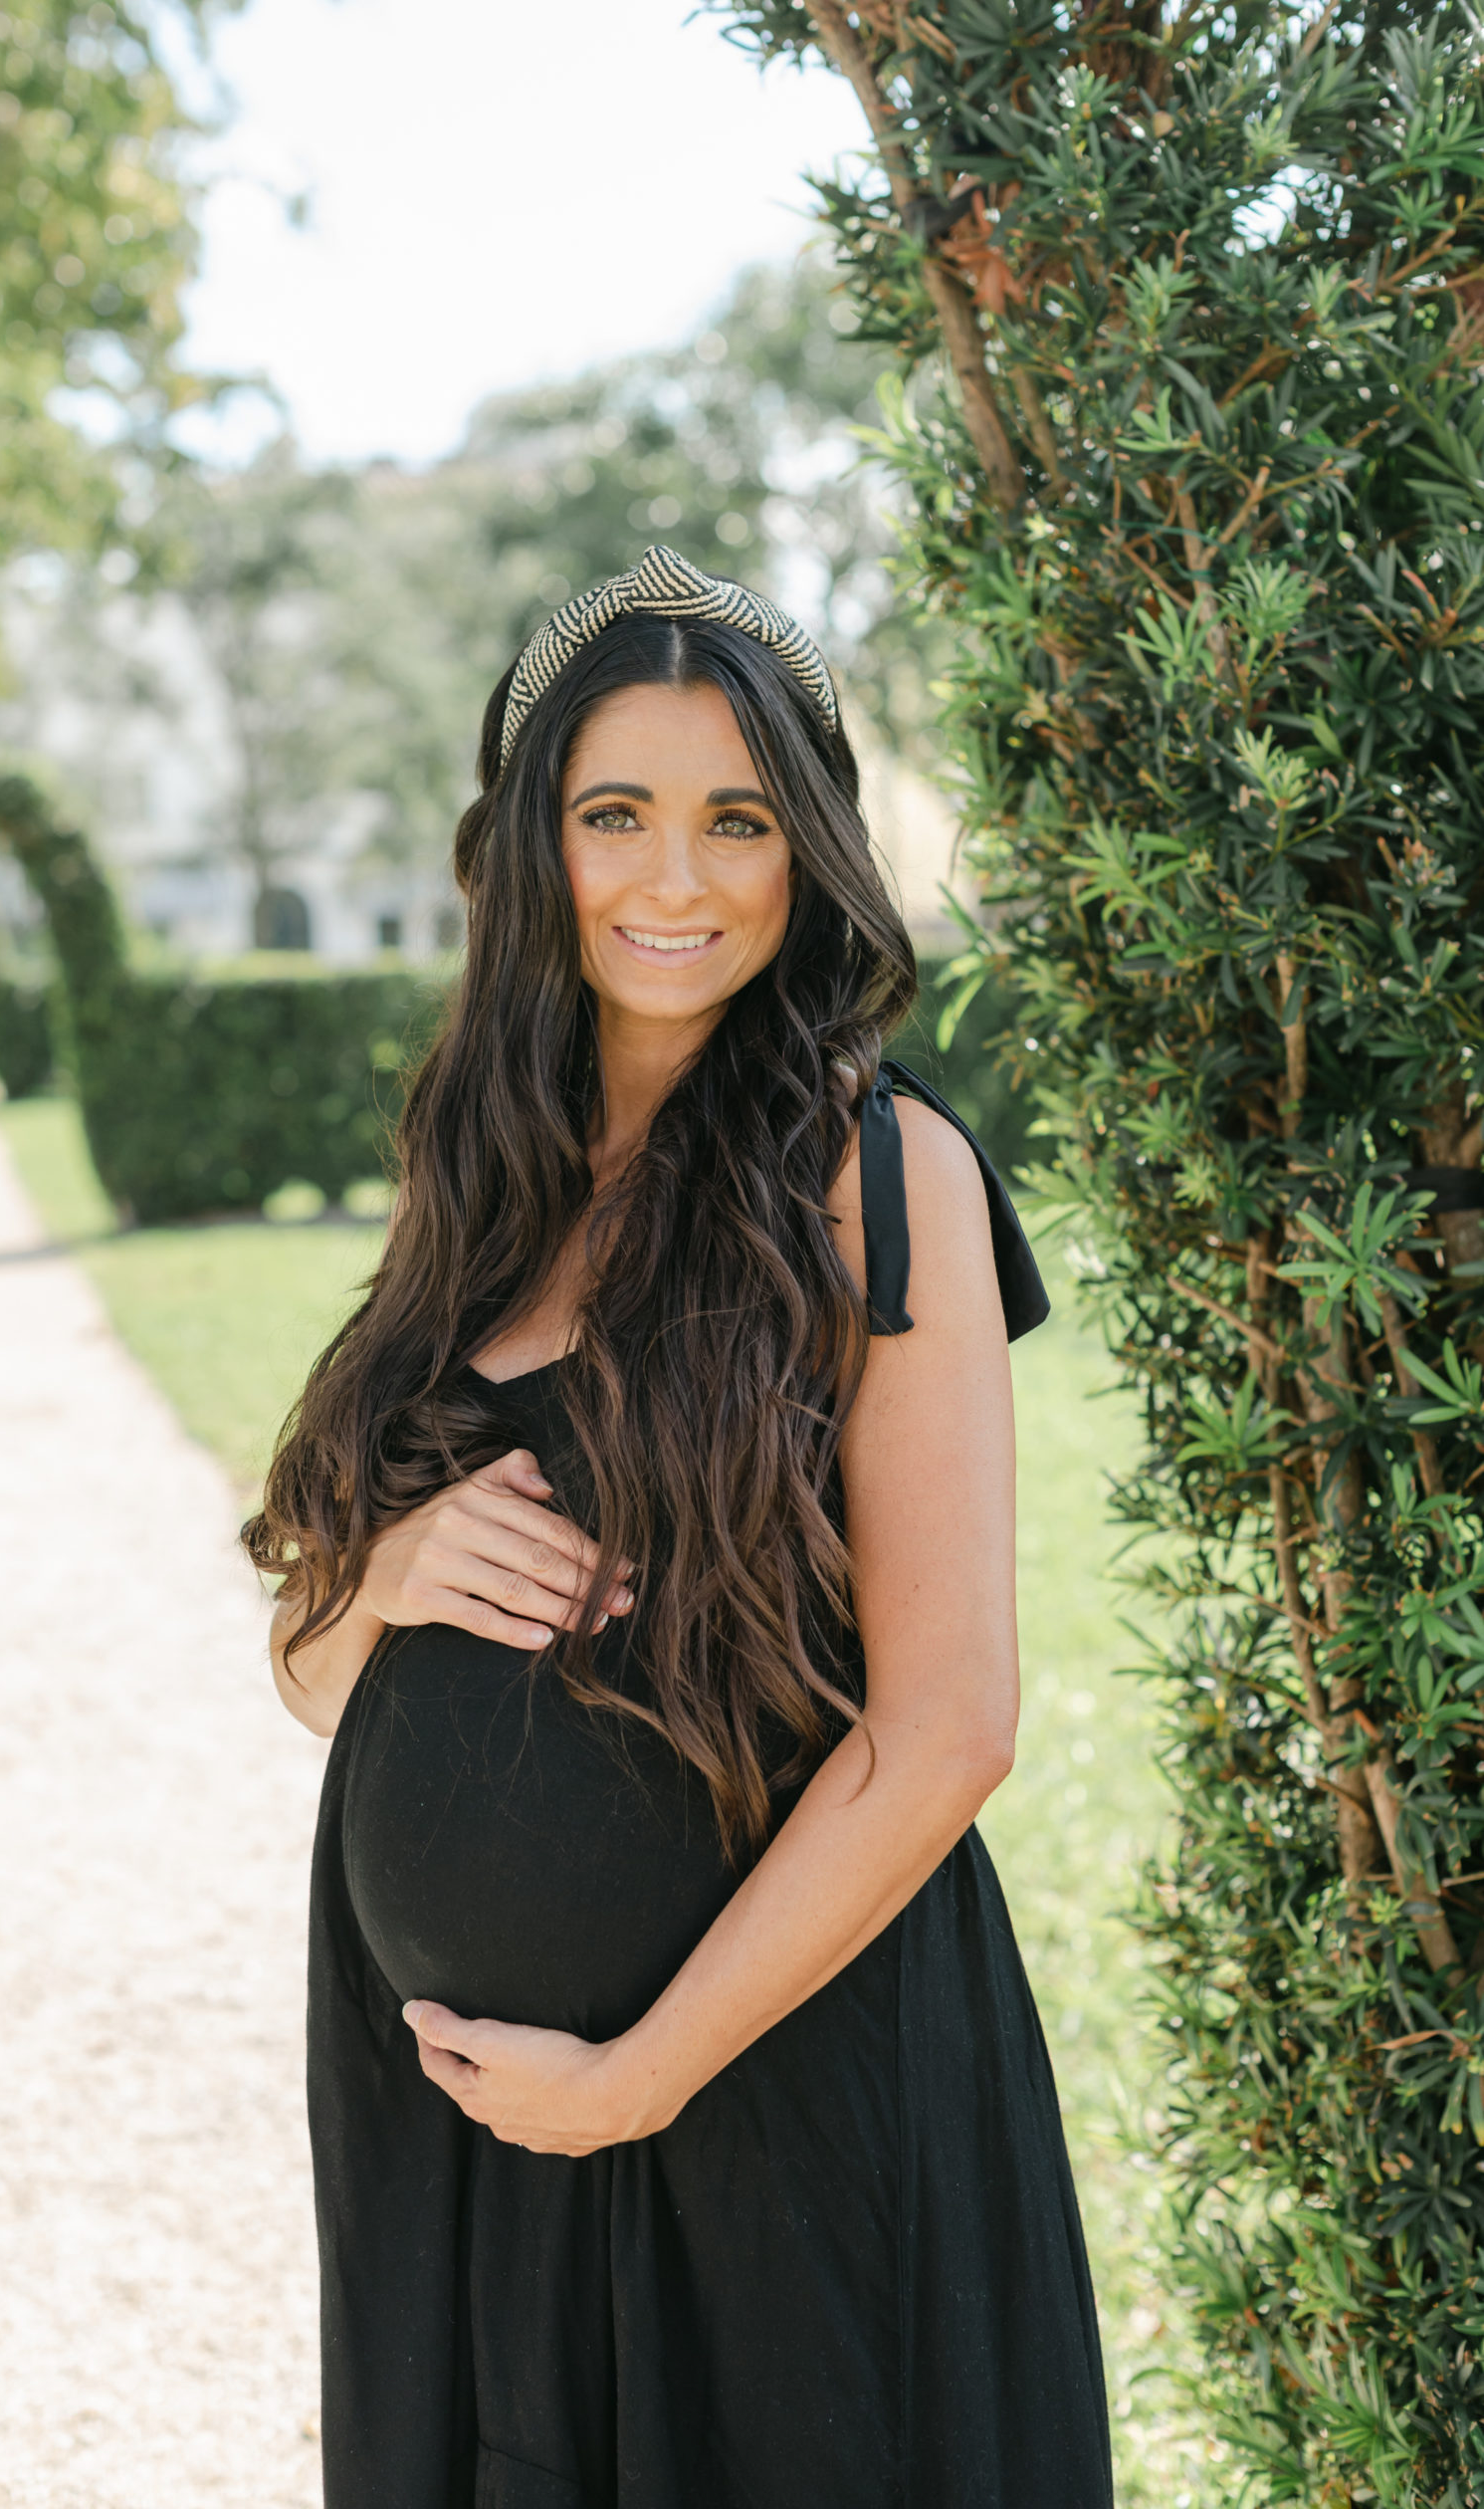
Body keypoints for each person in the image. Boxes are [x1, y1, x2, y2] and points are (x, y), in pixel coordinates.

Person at [246, 547, 1113, 2509]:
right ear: (536, 846)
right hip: (461, 2137)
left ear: (809, 849)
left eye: (737, 820)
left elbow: (951, 1720)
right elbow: (311, 1683)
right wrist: (377, 1579)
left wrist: (636, 2075)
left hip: (768, 2102)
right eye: (615, 813)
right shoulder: (480, 1172)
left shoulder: (880, 1175)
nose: (675, 877)